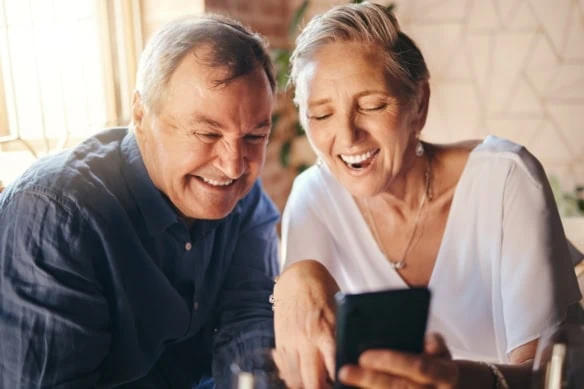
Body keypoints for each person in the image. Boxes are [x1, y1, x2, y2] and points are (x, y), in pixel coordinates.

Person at [273, 2, 582, 388]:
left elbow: (550, 376)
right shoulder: (313, 197)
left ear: (419, 104)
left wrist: (453, 379)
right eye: (321, 114)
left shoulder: (505, 178)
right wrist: (291, 280)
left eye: (372, 105)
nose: (348, 136)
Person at [0, 15, 280, 388]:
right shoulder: (57, 214)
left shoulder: (243, 196)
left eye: (254, 136)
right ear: (140, 115)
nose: (233, 165)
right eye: (206, 133)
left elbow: (247, 321)